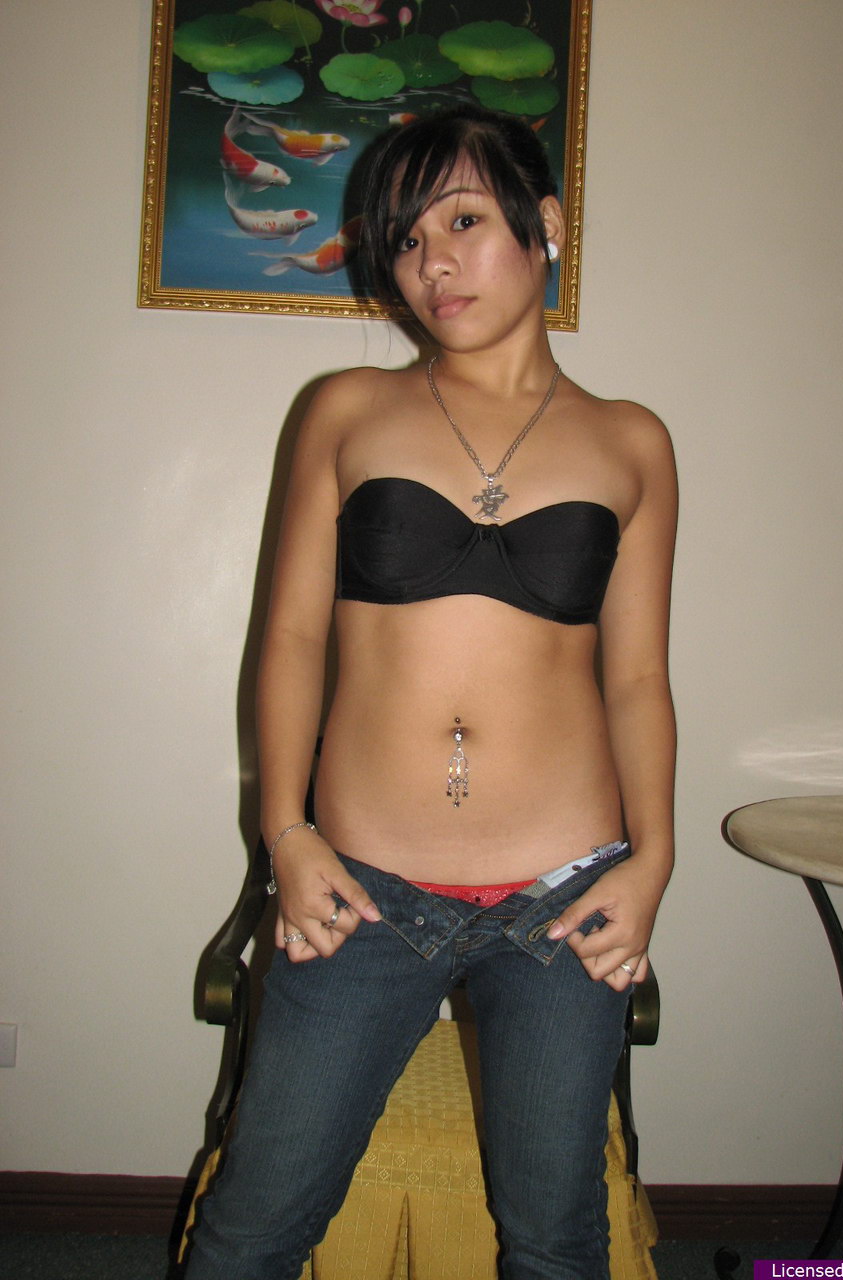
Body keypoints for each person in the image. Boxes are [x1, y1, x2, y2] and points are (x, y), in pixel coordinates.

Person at [185, 104, 678, 1280]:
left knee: (556, 1240)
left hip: (563, 897)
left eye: (462, 222)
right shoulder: (346, 412)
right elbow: (291, 635)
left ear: (545, 223)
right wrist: (286, 832)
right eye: (405, 239)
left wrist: (653, 859)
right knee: (251, 1231)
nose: (432, 264)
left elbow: (638, 677)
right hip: (361, 890)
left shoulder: (633, 442)